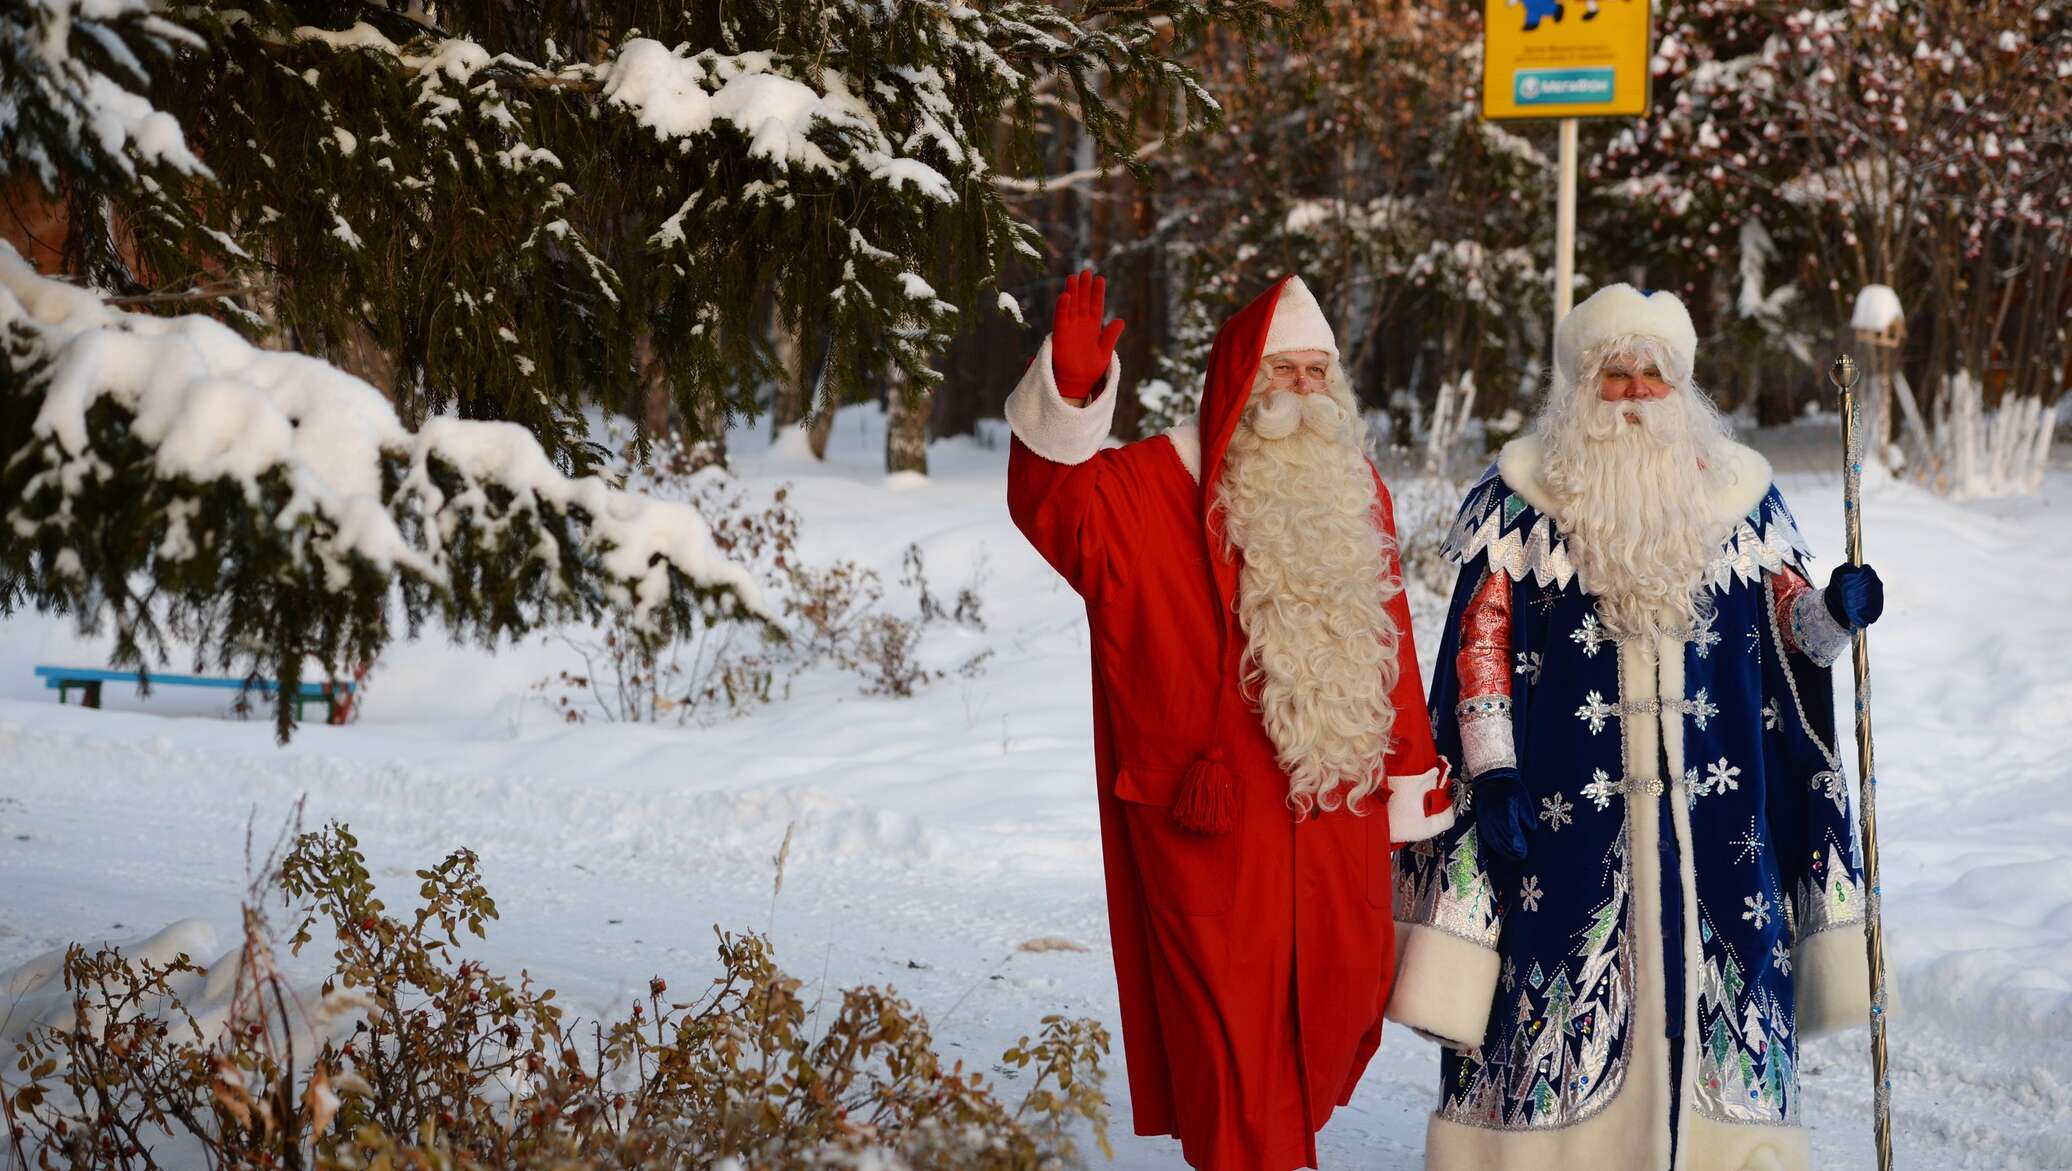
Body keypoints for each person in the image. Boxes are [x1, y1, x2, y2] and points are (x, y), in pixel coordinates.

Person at [1387, 284, 1885, 1171]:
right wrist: (1493, 770)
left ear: (1681, 389)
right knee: (1548, 1001)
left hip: (1718, 831)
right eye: (1614, 373)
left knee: (1717, 1007)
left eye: (1650, 375)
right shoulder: (1515, 500)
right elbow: (1482, 642)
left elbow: (1789, 633)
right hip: (1559, 818)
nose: (1632, 392)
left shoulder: (1745, 501)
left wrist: (1835, 615)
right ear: (1580, 384)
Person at [1005, 271, 1455, 1170]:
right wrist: (1072, 390)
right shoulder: (1150, 484)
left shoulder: (1355, 485)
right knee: (1234, 1050)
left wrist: (1410, 774)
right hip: (1212, 832)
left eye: (1315, 372)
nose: (1300, 390)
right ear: (1237, 378)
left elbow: (1390, 631)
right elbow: (1056, 512)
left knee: (1333, 1018)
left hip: (1336, 822)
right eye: (1281, 370)